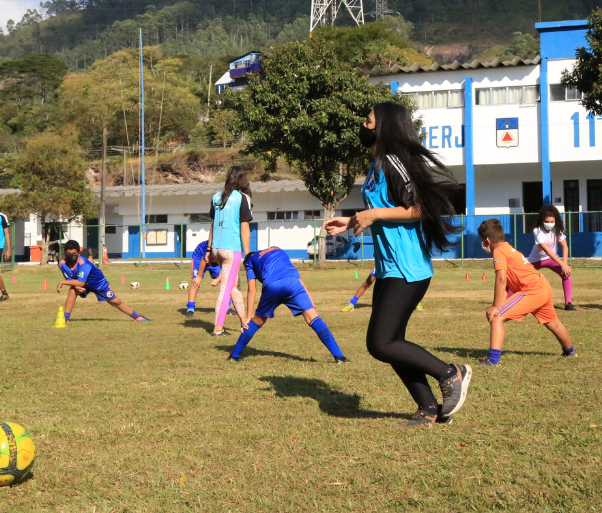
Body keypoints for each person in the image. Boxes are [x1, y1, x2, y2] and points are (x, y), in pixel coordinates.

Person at [325, 101, 471, 427]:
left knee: (381, 342)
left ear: (385, 126)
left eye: (368, 121)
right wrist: (351, 221)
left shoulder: (394, 161)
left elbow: (421, 208)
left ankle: (450, 373)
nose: (364, 126)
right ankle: (428, 408)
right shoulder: (377, 166)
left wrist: (373, 214)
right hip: (389, 267)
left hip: (408, 269)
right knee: (393, 342)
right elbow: (382, 210)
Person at [478, 219, 576, 366]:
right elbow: (506, 285)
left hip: (532, 290)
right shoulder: (507, 246)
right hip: (543, 286)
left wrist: (495, 307)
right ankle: (570, 352)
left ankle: (492, 360)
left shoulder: (498, 251)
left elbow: (501, 280)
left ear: (487, 241)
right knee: (553, 323)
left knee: (497, 317)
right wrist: (499, 303)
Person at [228, 247, 348, 363]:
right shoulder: (277, 249)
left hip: (272, 286)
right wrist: (311, 303)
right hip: (294, 283)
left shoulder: (249, 261)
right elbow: (297, 277)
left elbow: (252, 290)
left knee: (256, 321)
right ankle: (340, 357)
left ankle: (234, 356)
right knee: (313, 317)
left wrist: (248, 317)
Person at [206, 166, 252, 336]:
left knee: (234, 287)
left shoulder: (216, 196)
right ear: (242, 179)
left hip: (217, 249)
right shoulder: (242, 198)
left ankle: (245, 322)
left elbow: (212, 224)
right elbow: (245, 227)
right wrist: (247, 254)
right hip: (231, 250)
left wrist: (209, 249)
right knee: (226, 289)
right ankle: (218, 328)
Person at [57, 240, 150, 323]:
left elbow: (80, 282)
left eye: (74, 253)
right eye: (69, 253)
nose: (71, 255)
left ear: (78, 253)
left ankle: (137, 317)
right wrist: (76, 286)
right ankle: (65, 318)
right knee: (72, 290)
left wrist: (62, 282)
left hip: (98, 283)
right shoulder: (62, 264)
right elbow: (70, 279)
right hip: (84, 284)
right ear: (64, 252)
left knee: (115, 302)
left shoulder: (83, 263)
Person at [528, 205, 575, 311]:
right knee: (520, 277)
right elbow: (547, 251)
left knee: (567, 274)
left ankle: (568, 303)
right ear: (542, 220)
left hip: (552, 259)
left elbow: (565, 247)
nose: (550, 224)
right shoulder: (537, 230)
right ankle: (507, 301)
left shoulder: (558, 230)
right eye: (547, 221)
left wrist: (565, 264)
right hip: (536, 260)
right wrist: (562, 264)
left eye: (552, 221)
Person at [185, 239, 221, 317]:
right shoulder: (214, 246)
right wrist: (198, 276)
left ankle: (227, 307)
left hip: (217, 262)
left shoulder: (228, 250)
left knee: (225, 280)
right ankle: (190, 308)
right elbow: (204, 260)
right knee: (196, 282)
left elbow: (226, 267)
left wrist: (218, 279)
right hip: (200, 257)